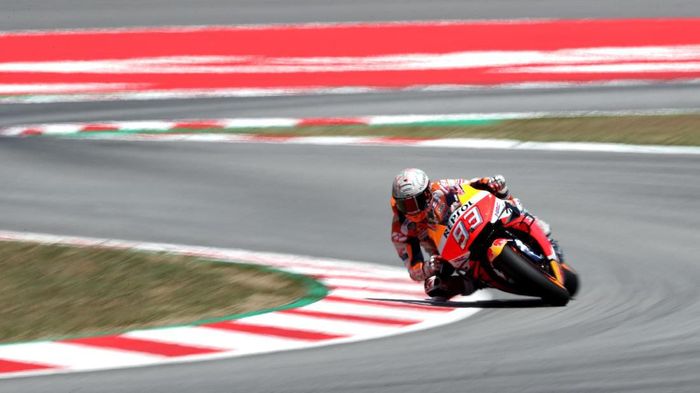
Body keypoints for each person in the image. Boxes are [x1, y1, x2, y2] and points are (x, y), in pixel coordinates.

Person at [390, 168, 564, 300]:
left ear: (427, 193)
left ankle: (538, 228)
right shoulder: (401, 230)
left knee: (501, 193)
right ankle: (476, 282)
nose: (412, 210)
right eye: (405, 206)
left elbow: (469, 185)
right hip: (445, 254)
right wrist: (428, 267)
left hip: (469, 224)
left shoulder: (441, 188)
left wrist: (488, 182)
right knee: (433, 287)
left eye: (416, 202)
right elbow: (413, 270)